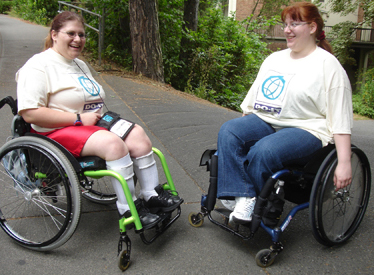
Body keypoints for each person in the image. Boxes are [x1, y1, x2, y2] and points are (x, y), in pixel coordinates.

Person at [16, 11, 182, 229]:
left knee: (138, 136)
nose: (78, 39)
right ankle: (128, 209)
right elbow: (30, 114)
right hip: (55, 130)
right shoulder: (38, 66)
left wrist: (102, 121)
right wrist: (77, 118)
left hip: (92, 123)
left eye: (82, 35)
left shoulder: (79, 65)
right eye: (71, 33)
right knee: (113, 144)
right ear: (54, 34)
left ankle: (151, 194)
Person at [216, 2, 353, 224]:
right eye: (285, 24)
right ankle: (243, 195)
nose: (287, 30)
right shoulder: (274, 59)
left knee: (264, 150)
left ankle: (255, 201)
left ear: (312, 27)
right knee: (229, 131)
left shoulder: (329, 66)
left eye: (294, 24)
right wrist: (242, 131)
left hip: (307, 128)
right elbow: (252, 102)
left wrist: (344, 162)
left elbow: (340, 119)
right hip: (267, 120)